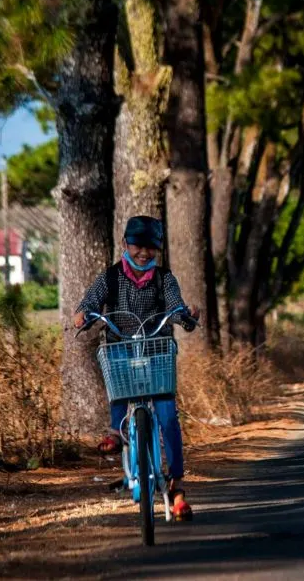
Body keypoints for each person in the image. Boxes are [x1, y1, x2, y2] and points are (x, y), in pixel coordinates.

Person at [73, 215, 200, 520]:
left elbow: (174, 304)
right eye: (137, 245)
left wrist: (185, 315)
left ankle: (177, 485)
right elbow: (91, 300)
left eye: (151, 247)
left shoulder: (164, 279)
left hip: (156, 349)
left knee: (168, 417)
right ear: (125, 244)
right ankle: (116, 434)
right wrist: (83, 313)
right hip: (120, 346)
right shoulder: (110, 277)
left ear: (158, 249)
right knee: (118, 388)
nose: (143, 252)